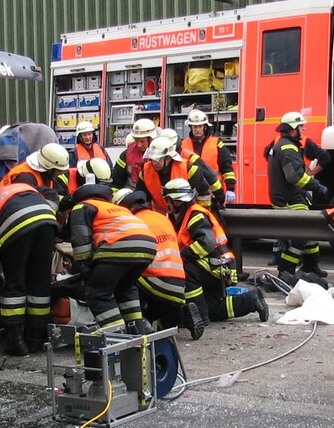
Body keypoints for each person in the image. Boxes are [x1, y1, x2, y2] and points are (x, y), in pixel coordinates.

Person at [163, 179, 268, 324]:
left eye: (168, 200)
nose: (167, 204)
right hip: (216, 266)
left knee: (184, 271)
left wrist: (182, 256)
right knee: (213, 309)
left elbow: (206, 243)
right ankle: (251, 300)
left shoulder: (195, 215)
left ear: (174, 201)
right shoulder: (182, 216)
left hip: (218, 266)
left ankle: (199, 317)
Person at [0, 182, 60, 355]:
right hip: (47, 220)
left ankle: (15, 341)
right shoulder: (22, 188)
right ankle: (36, 338)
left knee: (14, 281)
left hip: (16, 223)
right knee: (40, 283)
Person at [113, 189, 206, 340]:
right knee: (164, 313)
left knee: (123, 279)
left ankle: (141, 323)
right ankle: (181, 314)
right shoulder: (162, 217)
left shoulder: (131, 222)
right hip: (179, 283)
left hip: (154, 280)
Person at [68, 183, 157, 333]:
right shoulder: (117, 209)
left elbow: (80, 237)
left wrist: (83, 265)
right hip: (148, 246)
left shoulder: (82, 206)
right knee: (125, 288)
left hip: (119, 245)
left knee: (98, 293)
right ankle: (138, 329)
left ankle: (116, 335)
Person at [267, 111, 329, 278]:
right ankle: (285, 269)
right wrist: (317, 186)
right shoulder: (288, 148)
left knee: (309, 231)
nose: (304, 129)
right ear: (293, 128)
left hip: (290, 197)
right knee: (300, 237)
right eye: (301, 126)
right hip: (289, 199)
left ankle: (311, 264)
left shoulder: (284, 144)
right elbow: (294, 176)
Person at [137, 135, 222, 212]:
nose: (155, 162)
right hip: (161, 218)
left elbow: (203, 194)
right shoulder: (145, 173)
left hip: (185, 214)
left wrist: (201, 213)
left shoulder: (188, 169)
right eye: (152, 159)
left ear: (169, 158)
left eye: (159, 159)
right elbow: (142, 199)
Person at [182, 109, 237, 203]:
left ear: (205, 127)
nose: (198, 129)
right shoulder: (183, 145)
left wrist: (230, 189)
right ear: (190, 127)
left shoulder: (217, 144)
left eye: (200, 126)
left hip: (213, 194)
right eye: (195, 127)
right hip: (189, 195)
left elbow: (227, 168)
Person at [0, 142, 70, 202]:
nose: (61, 173)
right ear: (49, 168)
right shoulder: (25, 178)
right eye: (59, 170)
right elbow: (23, 204)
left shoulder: (46, 174)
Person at [111, 118, 158, 191]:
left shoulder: (159, 155)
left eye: (142, 141)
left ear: (151, 139)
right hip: (130, 196)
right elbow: (116, 180)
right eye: (136, 140)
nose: (139, 145)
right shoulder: (126, 155)